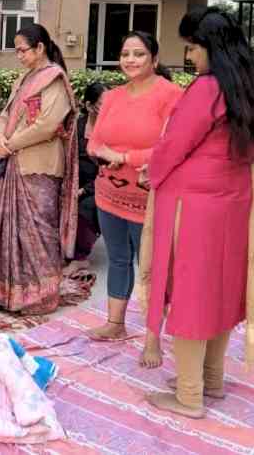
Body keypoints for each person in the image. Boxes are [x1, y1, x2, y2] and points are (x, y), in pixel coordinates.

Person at [138, 7, 254, 418]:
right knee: (220, 291)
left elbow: (175, 143)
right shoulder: (251, 87)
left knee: (190, 297)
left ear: (211, 48)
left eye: (193, 47)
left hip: (194, 206)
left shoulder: (206, 88)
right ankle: (211, 380)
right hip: (233, 201)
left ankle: (189, 396)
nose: (190, 57)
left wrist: (154, 172)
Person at [86, 31, 183, 339]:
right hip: (109, 193)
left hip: (150, 198)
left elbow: (176, 145)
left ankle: (154, 336)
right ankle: (115, 324)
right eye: (126, 53)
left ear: (154, 59)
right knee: (118, 258)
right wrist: (107, 155)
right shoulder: (113, 97)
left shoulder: (172, 96)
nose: (130, 60)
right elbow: (95, 141)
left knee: (152, 267)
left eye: (139, 54)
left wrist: (125, 155)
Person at [0, 24, 80, 315]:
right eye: (17, 50)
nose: (20, 56)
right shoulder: (24, 78)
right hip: (15, 161)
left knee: (38, 230)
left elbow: (47, 126)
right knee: (11, 227)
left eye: (23, 50)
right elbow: (6, 113)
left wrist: (8, 145)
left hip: (40, 163)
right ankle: (7, 292)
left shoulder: (54, 80)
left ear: (40, 48)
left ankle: (40, 295)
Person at [63, 82, 107, 275]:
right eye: (103, 104)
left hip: (101, 184)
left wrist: (85, 189)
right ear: (89, 106)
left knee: (86, 206)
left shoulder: (112, 130)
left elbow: (109, 169)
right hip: (72, 181)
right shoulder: (76, 127)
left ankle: (80, 258)